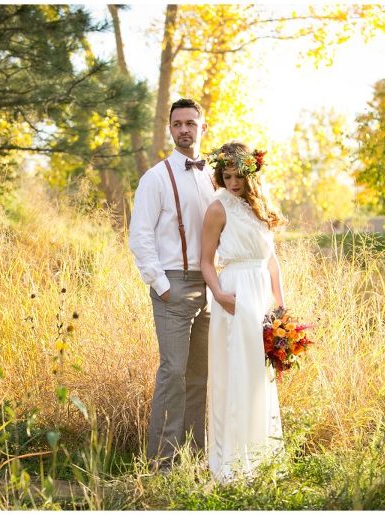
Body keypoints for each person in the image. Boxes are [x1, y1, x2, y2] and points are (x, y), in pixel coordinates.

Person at [128, 98, 216, 469]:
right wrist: (161, 284)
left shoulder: (214, 177)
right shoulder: (156, 177)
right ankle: (162, 463)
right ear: (170, 129)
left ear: (202, 128)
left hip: (211, 287)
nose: (183, 129)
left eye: (190, 123)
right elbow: (140, 236)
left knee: (200, 377)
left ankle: (193, 458)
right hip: (173, 285)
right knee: (172, 374)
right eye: (177, 123)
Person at [199, 141, 286, 482]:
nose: (233, 182)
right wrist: (219, 294)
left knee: (257, 379)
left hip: (261, 296)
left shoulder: (259, 208)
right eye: (227, 175)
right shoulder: (218, 208)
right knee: (233, 376)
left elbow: (272, 261)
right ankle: (231, 463)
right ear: (220, 175)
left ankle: (261, 457)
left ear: (251, 175)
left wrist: (280, 305)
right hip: (234, 295)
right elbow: (206, 261)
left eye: (239, 175)